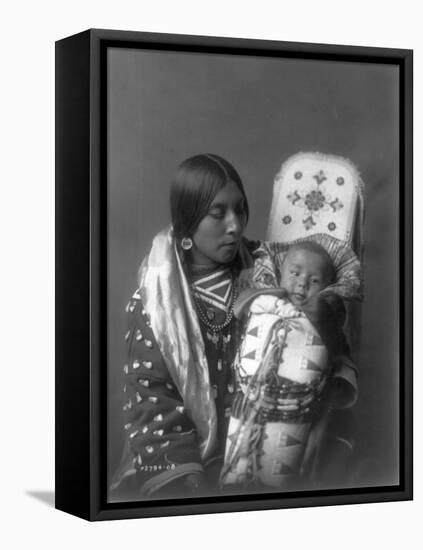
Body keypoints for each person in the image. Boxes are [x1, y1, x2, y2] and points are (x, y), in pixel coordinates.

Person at [109, 154, 361, 501]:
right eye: (218, 212)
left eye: (240, 209)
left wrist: (320, 315)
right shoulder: (155, 300)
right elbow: (152, 400)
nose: (235, 225)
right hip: (190, 462)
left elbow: (324, 347)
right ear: (188, 217)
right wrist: (196, 488)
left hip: (272, 449)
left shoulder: (272, 270)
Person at [220, 241, 355, 490]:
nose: (302, 283)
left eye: (314, 281)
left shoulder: (327, 324)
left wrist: (320, 425)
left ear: (328, 287)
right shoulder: (260, 304)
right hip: (246, 405)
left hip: (296, 414)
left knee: (279, 478)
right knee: (235, 475)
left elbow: (338, 366)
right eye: (294, 273)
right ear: (280, 273)